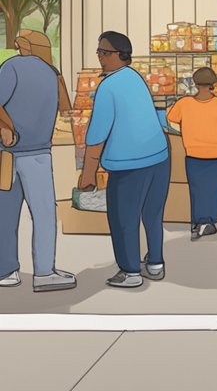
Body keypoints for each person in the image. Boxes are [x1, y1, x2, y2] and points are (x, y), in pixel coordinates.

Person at [79, 31, 170, 289]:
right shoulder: (135, 78)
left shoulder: (108, 86)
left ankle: (130, 272)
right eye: (99, 52)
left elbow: (96, 137)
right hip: (159, 157)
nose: (99, 57)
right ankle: (155, 263)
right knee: (153, 214)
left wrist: (87, 176)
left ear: (120, 55)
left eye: (104, 53)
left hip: (129, 164)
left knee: (123, 219)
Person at [0, 30, 77, 292]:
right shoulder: (52, 73)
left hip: (6, 154)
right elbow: (66, 110)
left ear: (21, 46)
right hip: (39, 154)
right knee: (44, 214)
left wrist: (7, 125)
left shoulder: (11, 67)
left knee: (5, 214)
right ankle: (44, 272)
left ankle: (6, 271)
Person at [165, 67, 217, 241]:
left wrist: (184, 129)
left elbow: (170, 119)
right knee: (214, 189)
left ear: (195, 84)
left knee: (196, 189)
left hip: (194, 154)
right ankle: (209, 222)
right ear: (213, 84)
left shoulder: (184, 104)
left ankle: (197, 223)